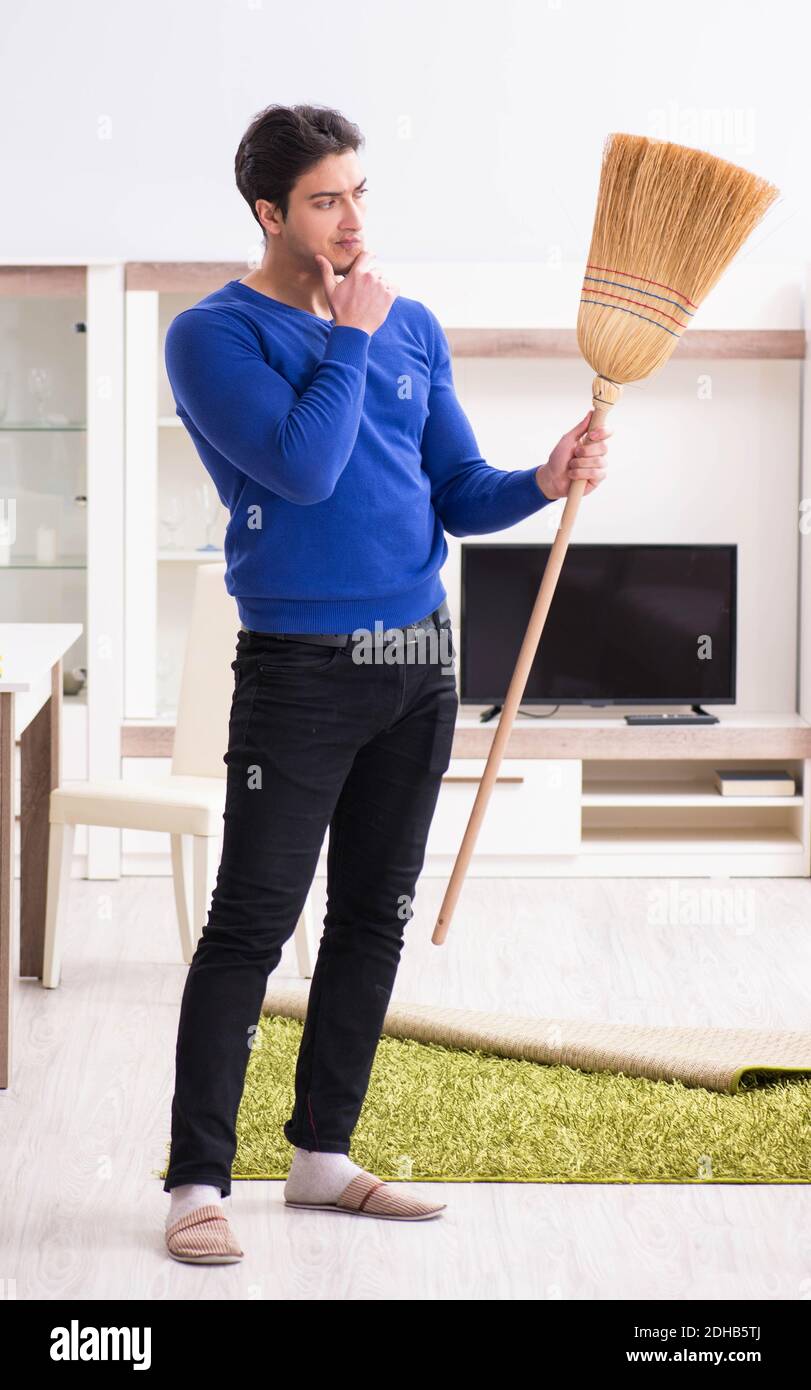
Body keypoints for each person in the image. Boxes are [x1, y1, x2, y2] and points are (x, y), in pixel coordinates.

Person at [161, 103, 610, 1263]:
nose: (352, 218)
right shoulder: (212, 336)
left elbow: (457, 489)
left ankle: (321, 1156)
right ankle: (197, 1181)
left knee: (374, 915)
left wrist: (542, 477)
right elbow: (304, 472)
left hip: (416, 658)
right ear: (269, 213)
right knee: (251, 924)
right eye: (323, 199)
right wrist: (349, 335)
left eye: (359, 191)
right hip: (298, 667)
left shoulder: (411, 325)